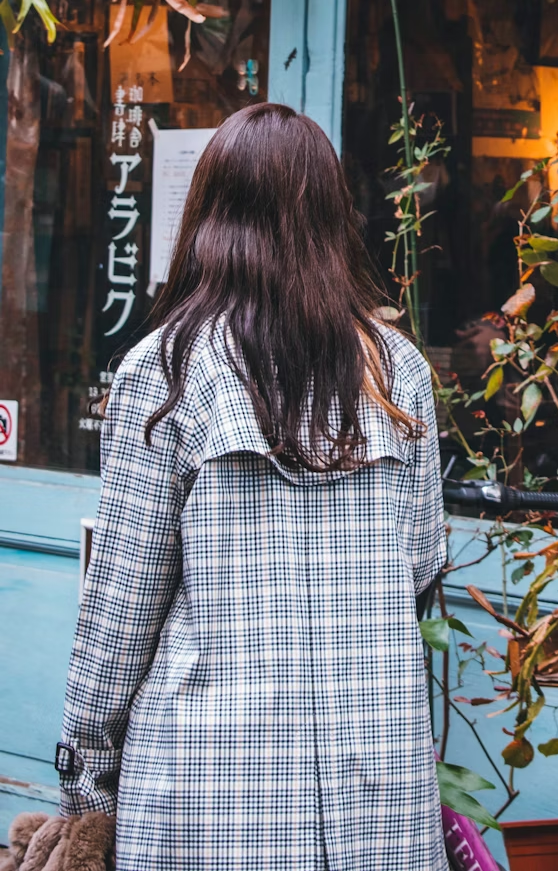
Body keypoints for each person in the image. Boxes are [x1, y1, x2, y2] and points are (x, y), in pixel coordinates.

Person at [57, 103, 447, 871]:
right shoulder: (399, 373)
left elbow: (120, 610)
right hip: (376, 785)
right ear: (334, 218)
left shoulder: (164, 371)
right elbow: (421, 562)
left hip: (209, 789)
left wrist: (87, 781)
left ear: (208, 215)